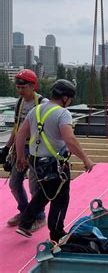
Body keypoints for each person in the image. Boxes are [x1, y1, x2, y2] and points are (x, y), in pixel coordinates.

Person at [14, 79, 95, 240]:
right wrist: (86, 159)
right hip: (54, 163)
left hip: (36, 161)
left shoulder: (36, 110)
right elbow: (70, 140)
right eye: (70, 98)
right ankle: (56, 233)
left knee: (45, 192)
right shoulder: (62, 113)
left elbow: (21, 134)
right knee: (61, 197)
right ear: (65, 98)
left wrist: (21, 157)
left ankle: (26, 222)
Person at [2, 70, 47, 230]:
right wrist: (7, 148)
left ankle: (39, 216)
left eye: (23, 87)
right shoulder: (19, 103)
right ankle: (25, 211)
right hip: (20, 148)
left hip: (36, 150)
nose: (20, 90)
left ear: (32, 86)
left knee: (35, 186)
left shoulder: (42, 103)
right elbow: (17, 129)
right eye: (18, 87)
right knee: (14, 183)